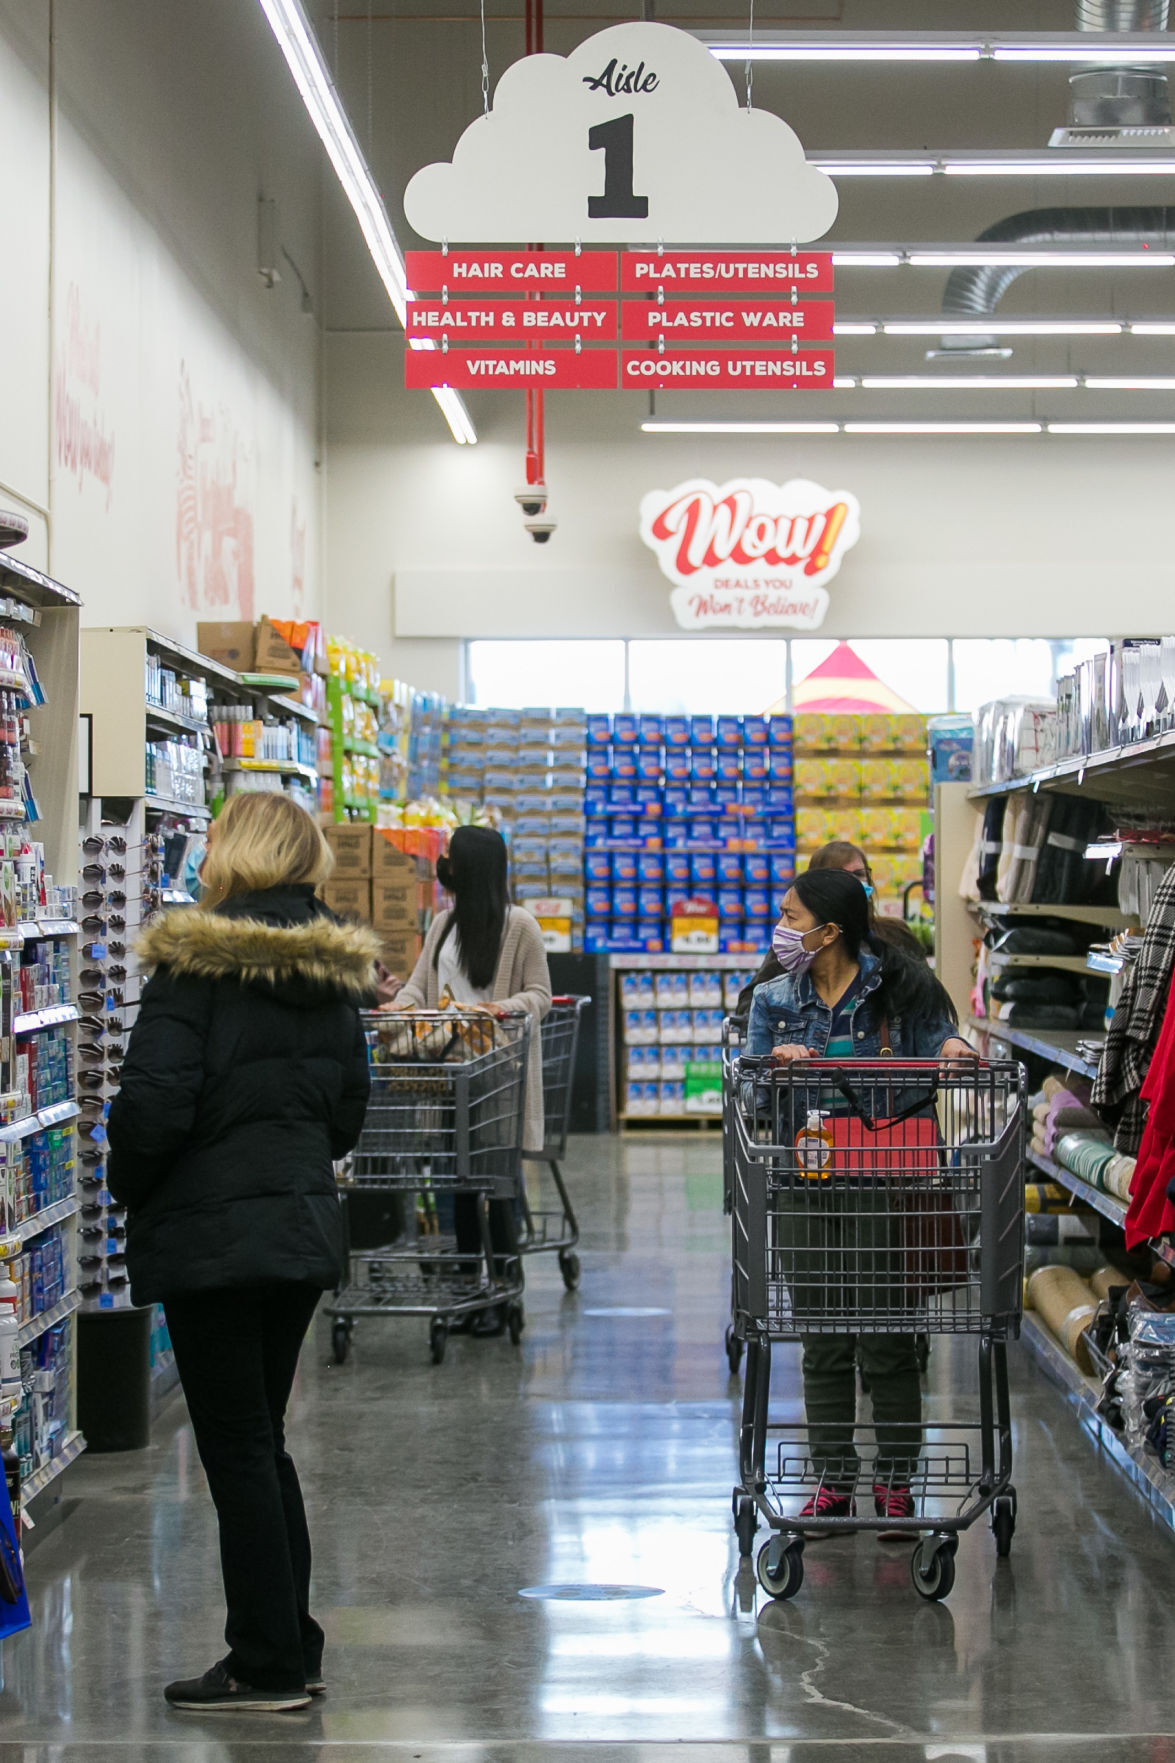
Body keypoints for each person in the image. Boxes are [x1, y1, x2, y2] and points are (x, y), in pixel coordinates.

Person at [107, 793, 378, 1713]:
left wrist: (131, 1182)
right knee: (263, 1441)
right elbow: (347, 1112)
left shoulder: (195, 964)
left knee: (237, 1448)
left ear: (235, 853)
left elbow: (151, 1103)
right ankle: (290, 1645)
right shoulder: (334, 971)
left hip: (211, 1230)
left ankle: (265, 1663)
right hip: (298, 1226)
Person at [745, 867, 973, 1538]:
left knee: (887, 1338)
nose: (782, 929)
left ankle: (896, 1481)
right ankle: (833, 1481)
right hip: (807, 1183)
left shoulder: (898, 985)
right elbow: (758, 1102)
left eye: (792, 916)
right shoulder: (772, 999)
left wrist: (954, 1047)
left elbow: (939, 1038)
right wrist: (776, 1068)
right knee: (821, 1338)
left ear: (830, 928)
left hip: (885, 1177)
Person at [393, 825, 551, 1332]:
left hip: (497, 1073)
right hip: (447, 1074)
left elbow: (540, 995)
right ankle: (468, 1295)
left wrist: (495, 1010)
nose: (443, 867)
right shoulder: (443, 923)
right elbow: (419, 986)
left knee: (496, 1186)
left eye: (450, 859)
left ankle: (503, 1297)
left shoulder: (520, 926)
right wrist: (393, 1011)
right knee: (457, 1186)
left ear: (470, 868)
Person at [736, 839, 925, 1017]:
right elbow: (749, 1006)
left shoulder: (896, 934)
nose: (853, 883)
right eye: (840, 875)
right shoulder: (799, 944)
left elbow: (925, 1001)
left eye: (859, 874)